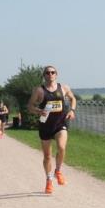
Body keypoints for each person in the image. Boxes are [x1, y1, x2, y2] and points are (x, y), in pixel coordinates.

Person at [28, 66, 77, 194]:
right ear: (44, 75)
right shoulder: (39, 90)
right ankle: (49, 180)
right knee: (47, 156)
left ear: (56, 74)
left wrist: (72, 110)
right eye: (47, 73)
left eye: (52, 72)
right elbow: (30, 106)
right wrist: (39, 111)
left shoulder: (64, 88)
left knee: (61, 147)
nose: (50, 74)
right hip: (45, 126)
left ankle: (58, 171)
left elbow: (73, 99)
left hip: (60, 124)